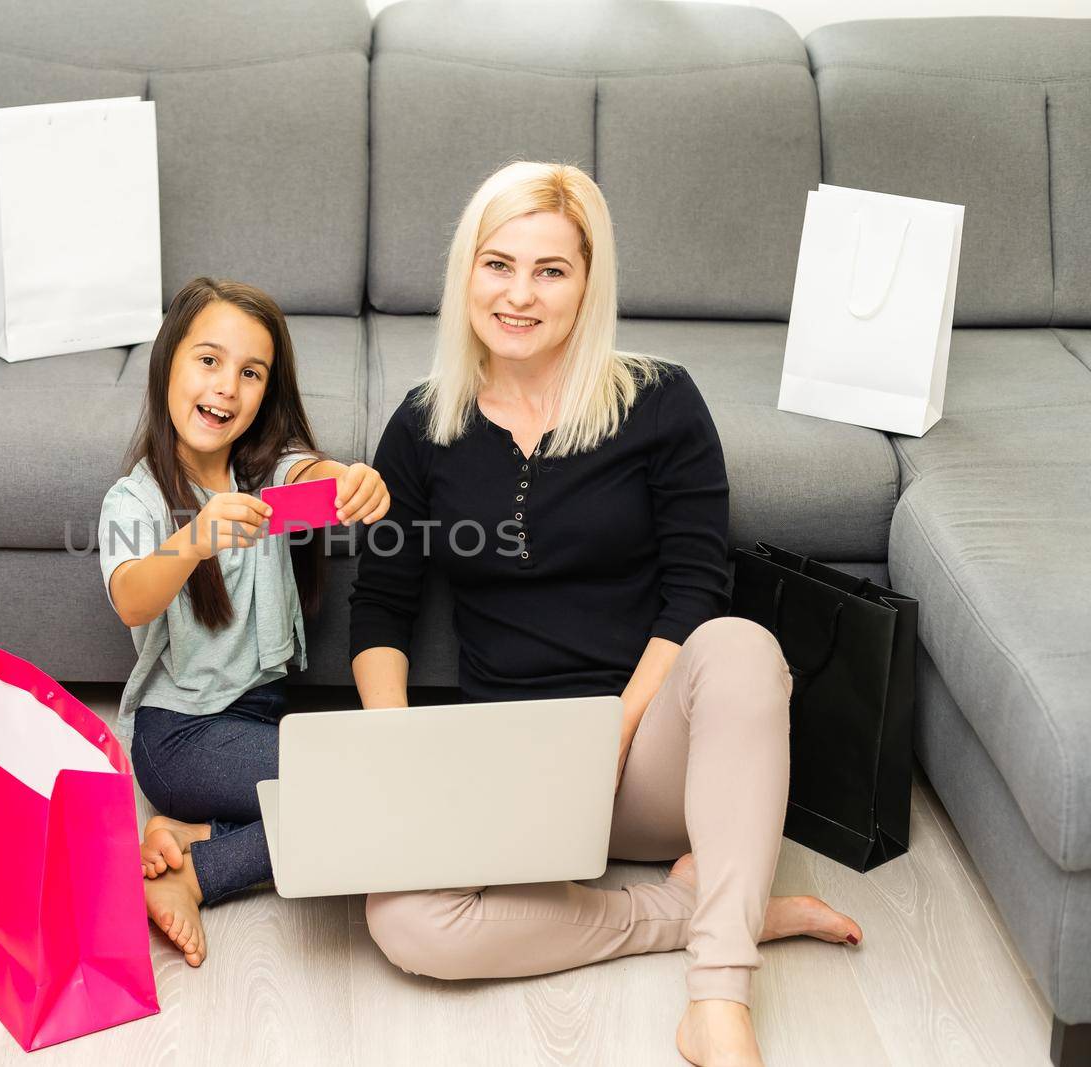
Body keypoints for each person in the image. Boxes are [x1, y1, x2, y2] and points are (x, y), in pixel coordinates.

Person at [348, 162, 863, 1067]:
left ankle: (718, 994)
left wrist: (616, 731)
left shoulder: (661, 401)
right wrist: (398, 754)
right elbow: (382, 608)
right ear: (465, 272)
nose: (519, 294)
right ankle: (713, 909)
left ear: (589, 285)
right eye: (498, 264)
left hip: (653, 756)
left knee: (740, 644)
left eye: (551, 270)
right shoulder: (422, 424)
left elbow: (696, 589)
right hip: (515, 769)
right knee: (405, 919)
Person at [99, 276, 391, 967]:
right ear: (168, 362)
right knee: (351, 792)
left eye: (250, 372)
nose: (226, 386)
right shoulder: (135, 499)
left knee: (358, 782)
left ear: (266, 392)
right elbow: (132, 598)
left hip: (254, 720)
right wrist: (194, 537)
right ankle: (193, 874)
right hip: (179, 737)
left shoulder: (264, 476)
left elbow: (312, 481)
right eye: (208, 360)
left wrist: (352, 479)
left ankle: (191, 830)